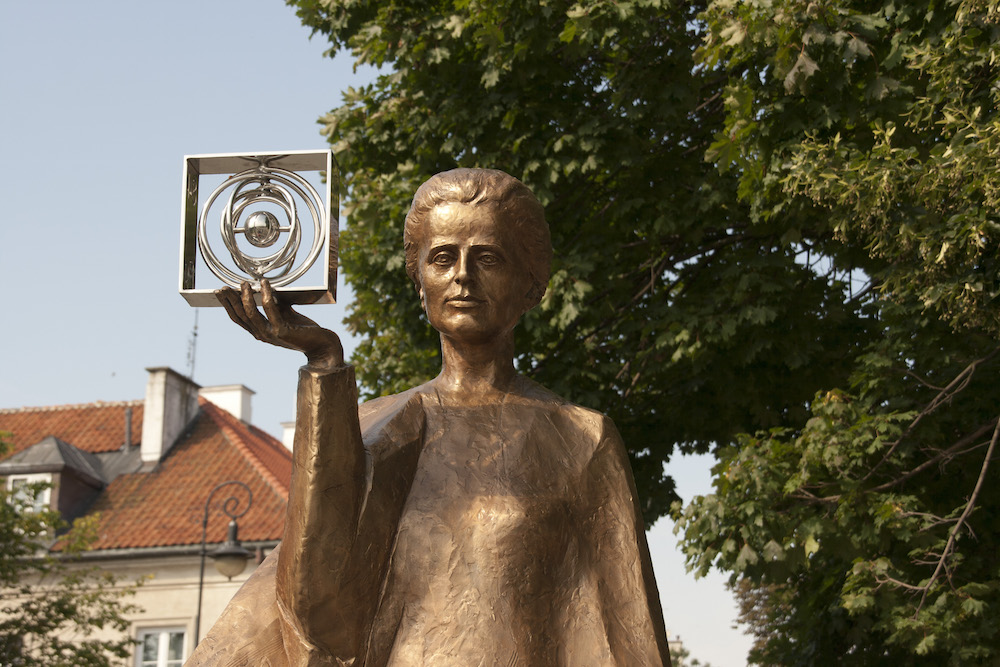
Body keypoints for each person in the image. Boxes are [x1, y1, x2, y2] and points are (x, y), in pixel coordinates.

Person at [187, 169, 671, 666]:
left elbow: (631, 632)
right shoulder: (377, 427)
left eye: (488, 257)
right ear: (420, 282)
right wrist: (324, 365)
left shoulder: (581, 438)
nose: (463, 274)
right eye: (442, 257)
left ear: (531, 283)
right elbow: (315, 610)